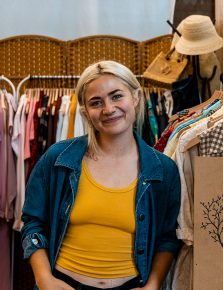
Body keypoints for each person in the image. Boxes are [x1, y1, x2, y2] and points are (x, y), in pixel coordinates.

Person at [21, 60, 182, 290]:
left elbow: (168, 237)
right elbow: (33, 223)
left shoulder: (163, 170)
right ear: (86, 112)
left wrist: (153, 285)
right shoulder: (59, 159)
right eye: (96, 102)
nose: (108, 109)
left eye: (117, 96)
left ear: (135, 97)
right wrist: (45, 279)